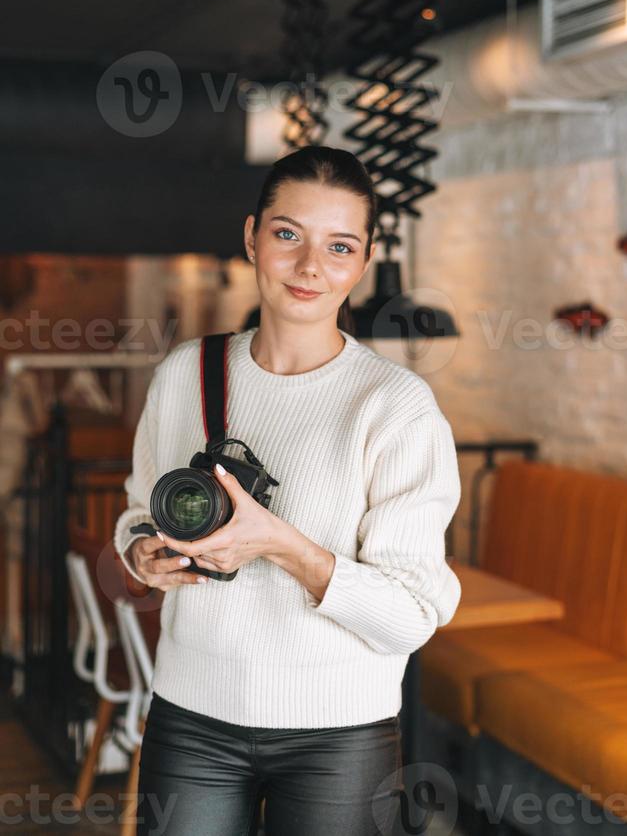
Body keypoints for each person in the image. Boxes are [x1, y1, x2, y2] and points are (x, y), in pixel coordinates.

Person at [113, 144, 462, 836]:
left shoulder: (395, 406)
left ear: (362, 263)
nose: (310, 267)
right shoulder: (187, 372)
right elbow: (136, 511)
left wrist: (284, 546)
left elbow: (416, 613)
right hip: (191, 715)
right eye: (287, 235)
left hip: (340, 733)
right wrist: (140, 554)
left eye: (339, 247)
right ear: (251, 237)